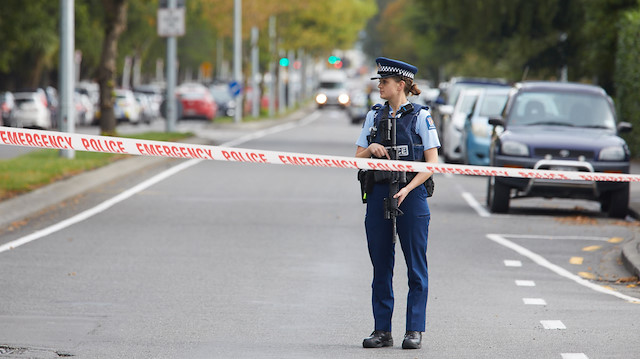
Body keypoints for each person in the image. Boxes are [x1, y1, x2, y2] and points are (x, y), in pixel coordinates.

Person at [355, 57, 440, 350]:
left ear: (400, 85)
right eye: (379, 81)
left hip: (412, 195)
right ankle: (382, 330)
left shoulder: (420, 117)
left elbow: (431, 164)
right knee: (381, 263)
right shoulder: (373, 116)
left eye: (384, 82)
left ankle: (414, 330)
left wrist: (407, 188)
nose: (379, 86)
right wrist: (371, 148)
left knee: (416, 264)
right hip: (379, 192)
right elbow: (356, 158)